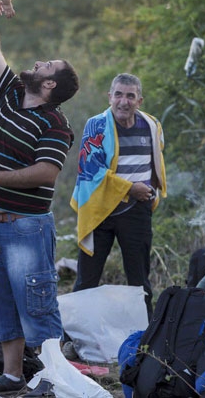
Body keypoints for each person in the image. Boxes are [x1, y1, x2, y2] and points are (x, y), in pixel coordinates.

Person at [0, 0, 80, 395]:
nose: (39, 62)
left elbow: (46, 173)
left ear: (49, 86)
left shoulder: (55, 125)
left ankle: (51, 378)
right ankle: (13, 376)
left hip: (26, 227)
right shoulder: (10, 95)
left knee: (38, 303)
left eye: (47, 65)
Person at [70, 73, 167, 317]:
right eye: (119, 95)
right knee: (87, 278)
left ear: (140, 100)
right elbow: (90, 168)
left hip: (136, 211)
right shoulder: (97, 125)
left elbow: (156, 160)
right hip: (99, 210)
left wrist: (149, 191)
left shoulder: (152, 125)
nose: (124, 101)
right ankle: (73, 337)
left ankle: (146, 338)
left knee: (139, 279)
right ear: (110, 96)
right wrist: (130, 188)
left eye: (130, 96)